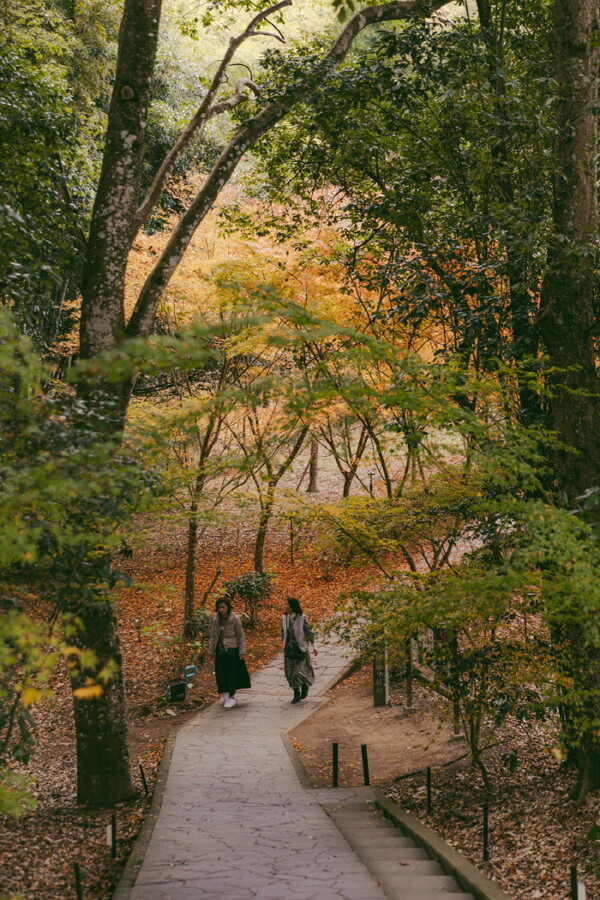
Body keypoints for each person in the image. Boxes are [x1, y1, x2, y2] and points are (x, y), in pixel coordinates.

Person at [208, 598, 250, 709]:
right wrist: (211, 651)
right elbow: (213, 636)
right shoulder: (216, 620)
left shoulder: (235, 619)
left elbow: (241, 636)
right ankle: (224, 692)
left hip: (232, 649)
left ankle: (232, 696)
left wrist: (242, 651)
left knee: (232, 673)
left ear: (228, 607)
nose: (221, 610)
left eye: (223, 607)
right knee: (221, 672)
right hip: (220, 650)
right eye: (219, 607)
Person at [281, 597, 317, 704]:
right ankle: (296, 693)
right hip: (289, 649)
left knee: (299, 672)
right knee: (290, 673)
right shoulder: (284, 618)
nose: (285, 606)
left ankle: (304, 686)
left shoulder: (302, 618)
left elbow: (309, 632)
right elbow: (282, 633)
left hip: (300, 649)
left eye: (286, 604)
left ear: (292, 606)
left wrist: (314, 645)